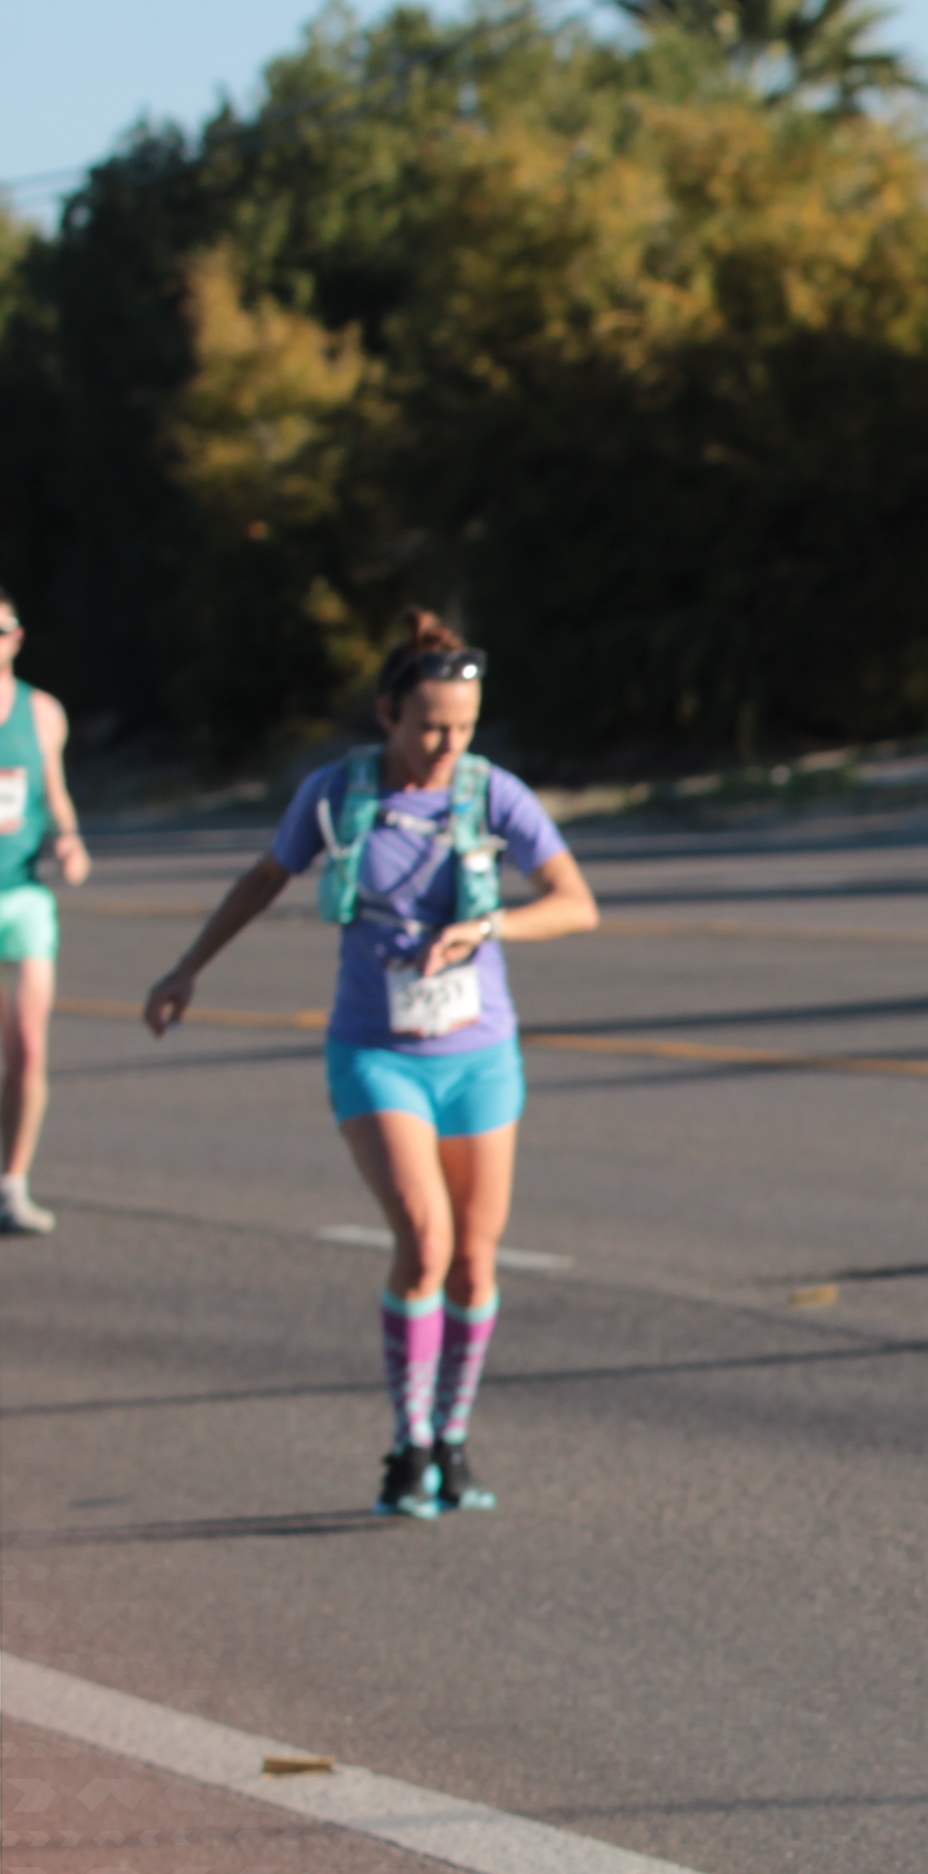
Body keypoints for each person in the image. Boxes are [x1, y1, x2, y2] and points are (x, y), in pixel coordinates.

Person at [143, 613, 597, 1516]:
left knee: (474, 1260)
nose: (447, 745)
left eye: (463, 727)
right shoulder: (336, 794)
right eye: (430, 727)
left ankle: (453, 1439)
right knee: (424, 1241)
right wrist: (188, 967)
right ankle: (407, 1442)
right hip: (376, 1052)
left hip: (480, 1055)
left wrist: (490, 925)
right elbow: (264, 879)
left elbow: (574, 902)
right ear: (389, 714)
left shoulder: (492, 794)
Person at [0, 586, 99, 1235]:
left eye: (1, 630)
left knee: (29, 1048)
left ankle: (12, 1184)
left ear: (17, 637)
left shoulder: (41, 712)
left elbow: (55, 791)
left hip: (22, 893)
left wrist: (69, 839)